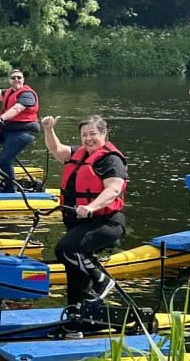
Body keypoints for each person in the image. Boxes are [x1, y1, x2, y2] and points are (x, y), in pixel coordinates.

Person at [41, 115, 128, 339]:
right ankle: (75, 324)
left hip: (106, 223)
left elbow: (113, 190)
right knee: (74, 274)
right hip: (80, 224)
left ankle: (102, 280)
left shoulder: (111, 160)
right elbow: (57, 150)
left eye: (93, 134)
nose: (88, 139)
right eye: (84, 135)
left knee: (64, 250)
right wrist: (49, 130)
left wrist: (91, 206)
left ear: (104, 134)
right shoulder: (79, 155)